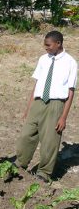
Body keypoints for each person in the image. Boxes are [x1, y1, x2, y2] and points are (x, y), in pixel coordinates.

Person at [15, 31, 77, 183]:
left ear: (58, 44)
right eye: (45, 44)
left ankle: (44, 172)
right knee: (26, 135)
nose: (45, 48)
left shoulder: (71, 63)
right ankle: (20, 162)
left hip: (56, 104)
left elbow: (71, 91)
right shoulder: (43, 59)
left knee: (50, 140)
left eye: (48, 45)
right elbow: (37, 84)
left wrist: (63, 117)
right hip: (38, 102)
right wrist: (29, 107)